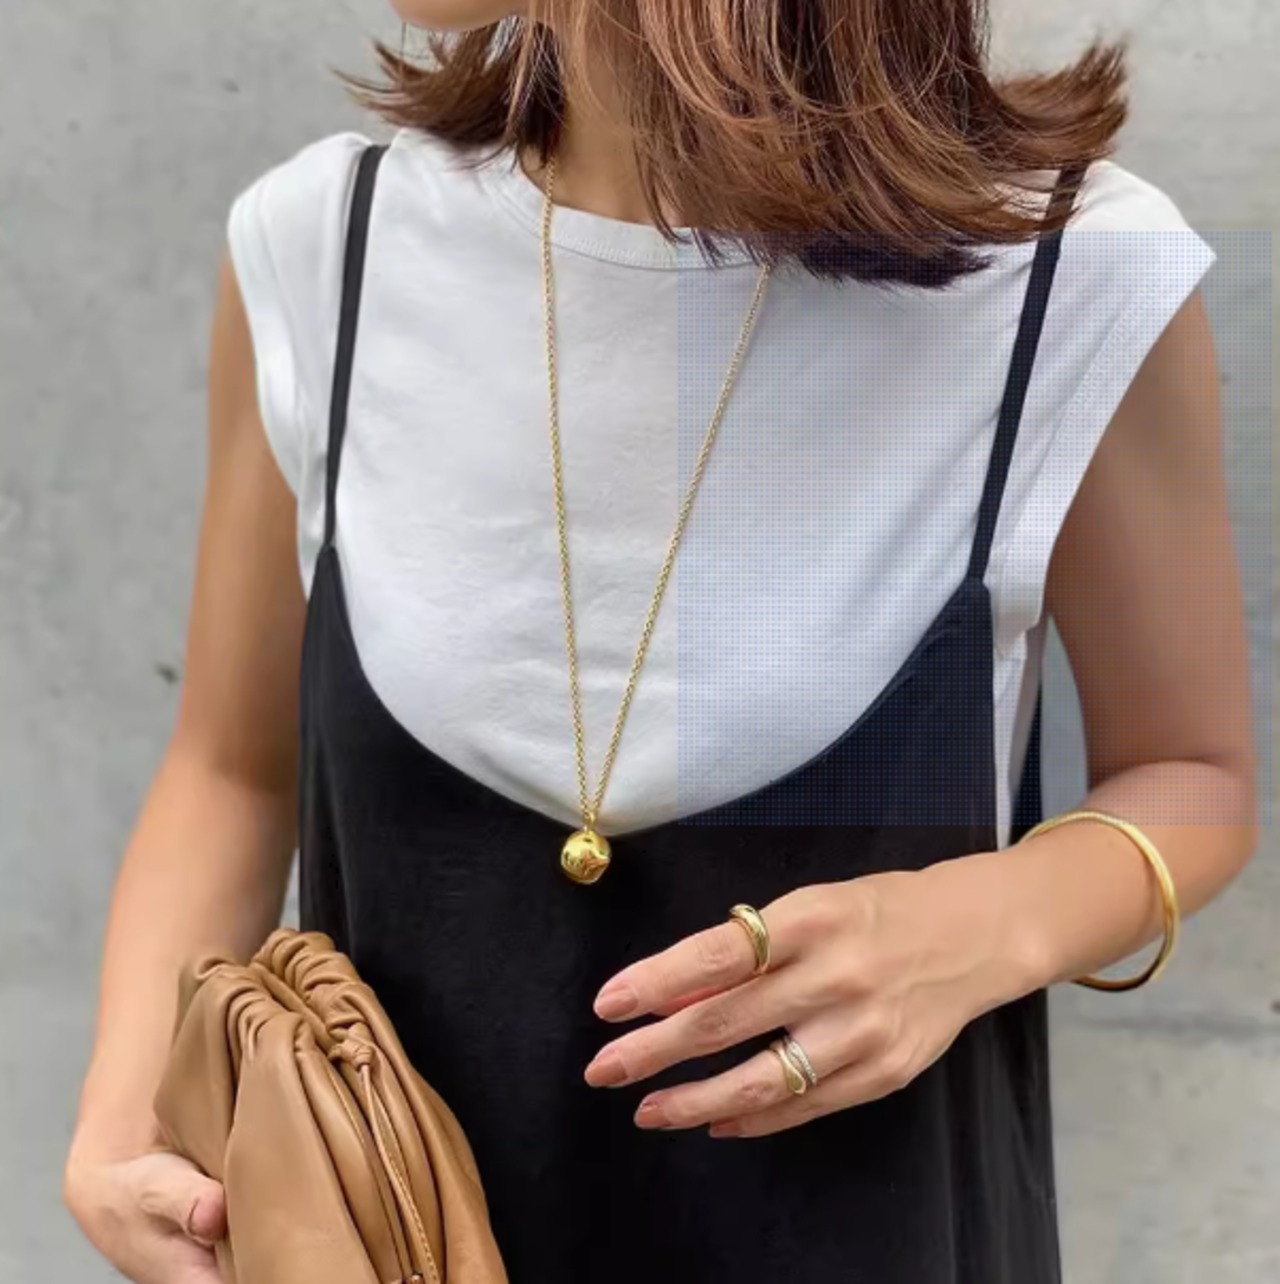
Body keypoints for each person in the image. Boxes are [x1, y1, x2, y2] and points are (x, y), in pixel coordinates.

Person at [64, 3, 1259, 1282]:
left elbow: (1194, 779)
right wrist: (121, 1120)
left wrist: (988, 925)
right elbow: (231, 772)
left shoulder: (1063, 277)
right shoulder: (326, 252)